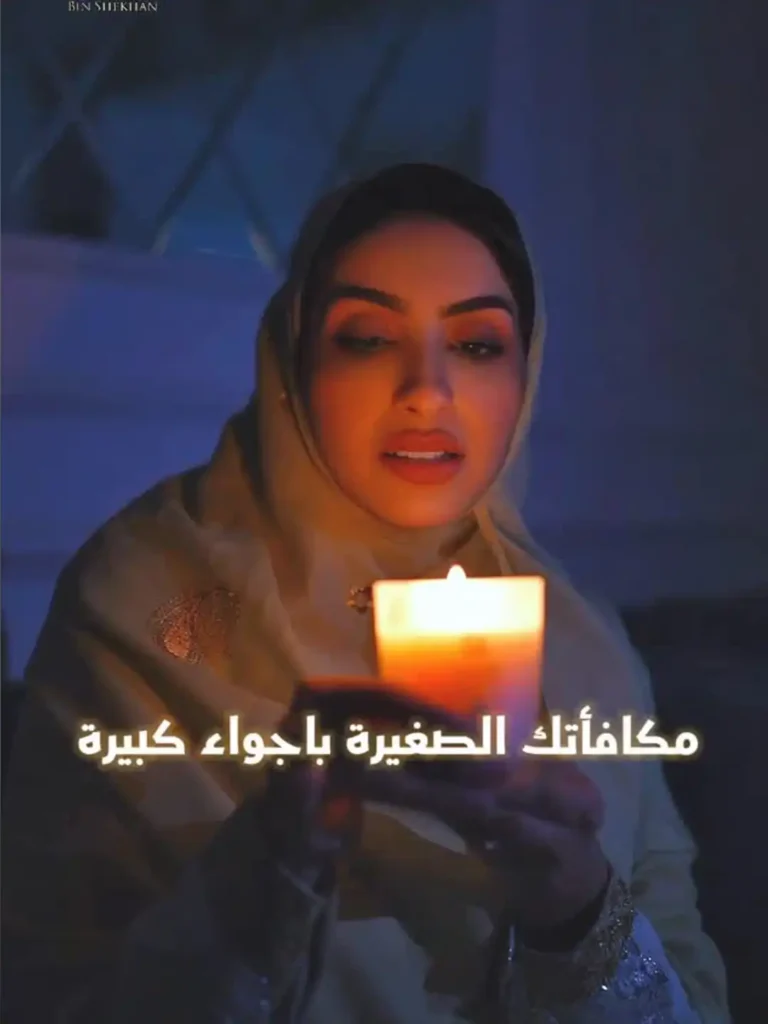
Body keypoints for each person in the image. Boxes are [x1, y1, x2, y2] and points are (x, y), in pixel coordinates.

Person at [1, 164, 730, 1023]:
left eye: (477, 345)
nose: (426, 391)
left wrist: (579, 914)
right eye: (368, 339)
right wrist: (265, 870)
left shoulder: (584, 648)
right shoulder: (146, 599)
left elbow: (692, 993)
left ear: (525, 378)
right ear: (293, 360)